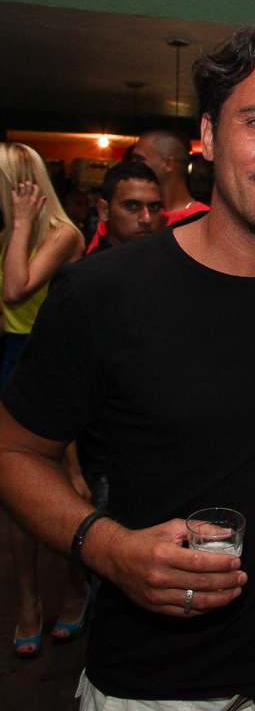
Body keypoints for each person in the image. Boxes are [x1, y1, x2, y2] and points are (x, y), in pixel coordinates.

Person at [0, 18, 255, 709]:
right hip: (151, 688)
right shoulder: (103, 294)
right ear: (207, 136)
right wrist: (106, 547)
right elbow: (15, 450)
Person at [0, 142, 89, 658]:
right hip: (10, 357)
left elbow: (16, 290)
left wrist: (20, 224)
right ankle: (28, 602)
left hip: (51, 363)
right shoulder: (7, 235)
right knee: (15, 490)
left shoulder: (62, 233)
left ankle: (78, 588)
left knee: (69, 485)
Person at [132, 129, 208, 223]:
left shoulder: (203, 220)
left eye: (139, 159)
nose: (133, 166)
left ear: (168, 164)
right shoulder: (135, 217)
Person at [93, 160, 164, 250]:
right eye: (131, 206)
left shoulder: (170, 258)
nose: (147, 219)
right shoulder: (94, 260)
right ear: (104, 211)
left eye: (154, 207)